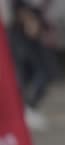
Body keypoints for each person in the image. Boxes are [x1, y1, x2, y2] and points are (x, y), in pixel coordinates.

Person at [8, 0, 57, 131]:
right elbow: (18, 6)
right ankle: (26, 109)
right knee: (30, 73)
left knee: (42, 73)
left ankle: (27, 108)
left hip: (35, 33)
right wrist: (29, 20)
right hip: (21, 34)